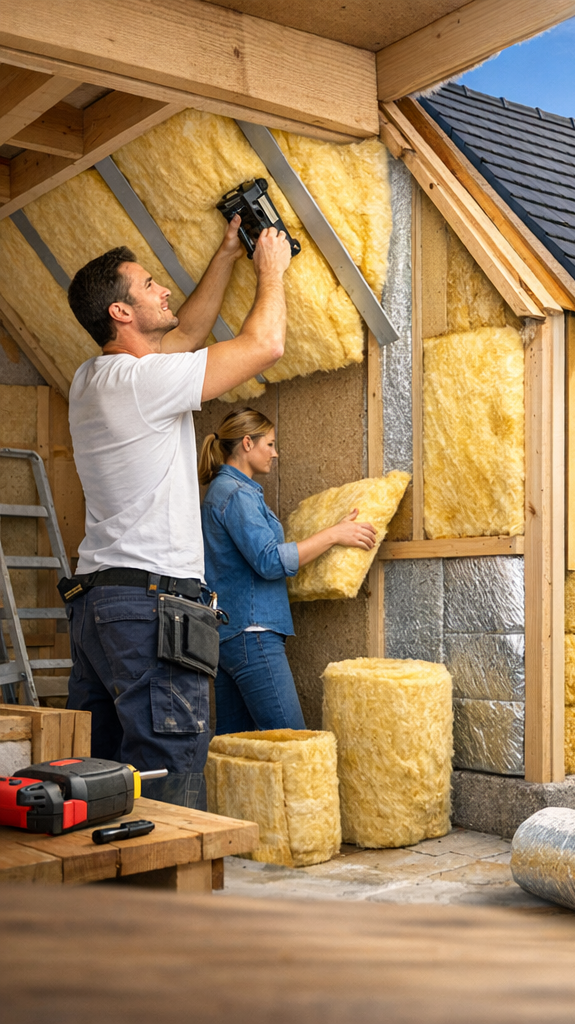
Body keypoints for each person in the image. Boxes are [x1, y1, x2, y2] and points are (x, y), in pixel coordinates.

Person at [62, 216, 293, 808]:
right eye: (148, 285)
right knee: (169, 776)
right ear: (120, 312)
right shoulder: (143, 383)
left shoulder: (91, 379)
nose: (163, 288)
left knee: (103, 782)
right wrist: (271, 269)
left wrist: (226, 253)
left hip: (99, 606)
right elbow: (265, 345)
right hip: (150, 608)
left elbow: (185, 332)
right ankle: (170, 874)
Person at [198, 408, 376, 734]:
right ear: (247, 443)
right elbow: (269, 561)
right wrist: (334, 535)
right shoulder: (236, 494)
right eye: (270, 444)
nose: (275, 452)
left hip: (232, 635)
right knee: (293, 743)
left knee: (237, 749)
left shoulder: (227, 491)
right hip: (252, 634)